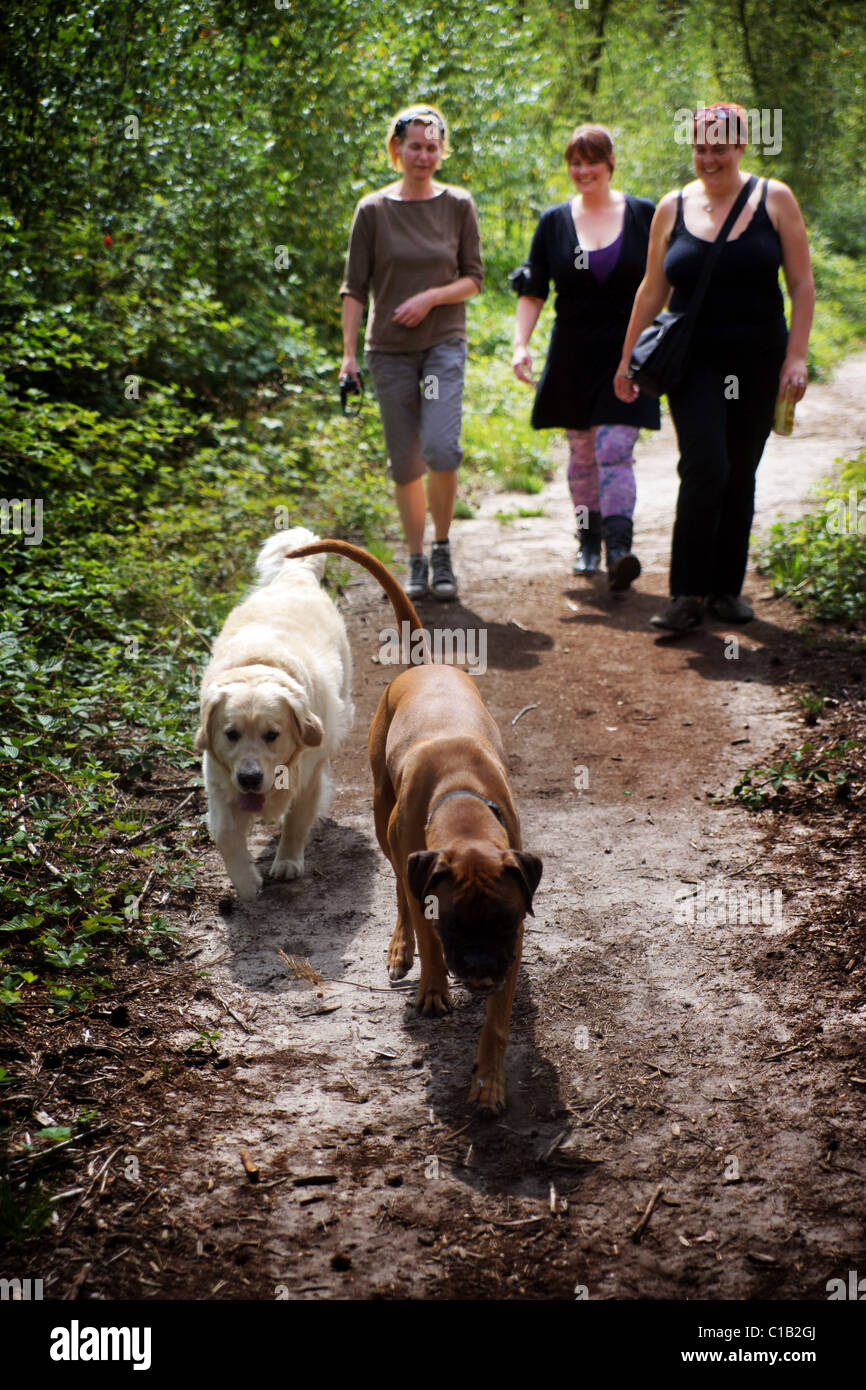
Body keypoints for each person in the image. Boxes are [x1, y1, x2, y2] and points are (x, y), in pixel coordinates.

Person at [615, 102, 814, 631]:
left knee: (741, 470)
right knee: (706, 464)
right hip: (693, 360)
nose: (709, 157)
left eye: (719, 147)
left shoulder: (775, 200)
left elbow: (801, 283)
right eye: (700, 147)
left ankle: (727, 589)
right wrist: (626, 359)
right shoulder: (672, 206)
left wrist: (796, 355)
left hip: (759, 356)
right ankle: (686, 593)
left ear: (741, 146)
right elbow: (652, 289)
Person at [340, 104, 483, 600]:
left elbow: (474, 279)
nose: (423, 155)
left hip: (443, 344)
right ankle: (417, 559)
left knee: (441, 448)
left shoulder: (459, 204)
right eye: (414, 145)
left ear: (443, 152)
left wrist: (431, 298)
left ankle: (443, 548)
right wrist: (348, 356)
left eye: (432, 146)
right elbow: (354, 288)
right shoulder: (372, 210)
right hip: (389, 351)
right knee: (405, 462)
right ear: (396, 149)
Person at [512, 124, 660, 588]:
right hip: (572, 353)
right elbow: (533, 291)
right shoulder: (554, 222)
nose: (582, 170)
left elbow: (669, 282)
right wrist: (521, 344)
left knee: (614, 449)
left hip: (627, 353)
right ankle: (586, 543)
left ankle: (619, 550)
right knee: (581, 455)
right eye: (575, 162)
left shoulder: (645, 215)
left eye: (591, 161)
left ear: (610, 163)